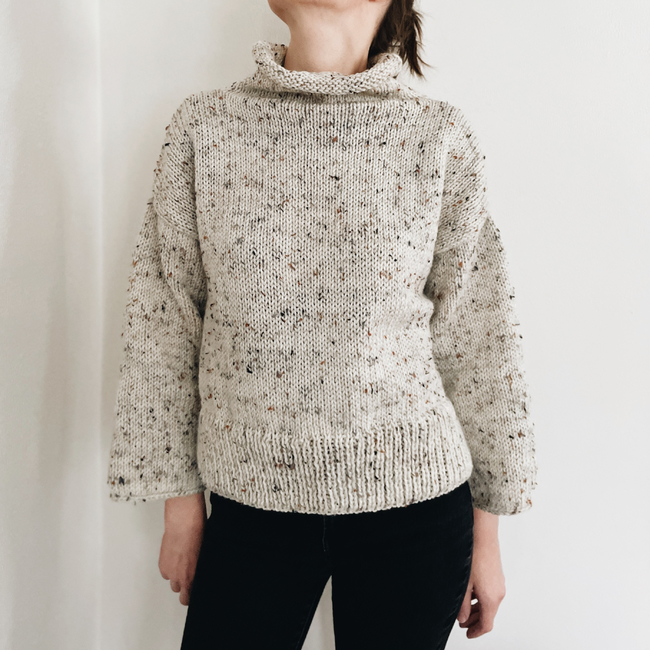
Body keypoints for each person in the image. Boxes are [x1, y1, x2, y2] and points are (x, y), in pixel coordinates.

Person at [106, 0, 538, 647]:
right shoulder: (206, 127)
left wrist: (489, 533)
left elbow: (479, 337)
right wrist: (179, 502)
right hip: (250, 503)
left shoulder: (437, 135)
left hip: (417, 507)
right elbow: (164, 320)